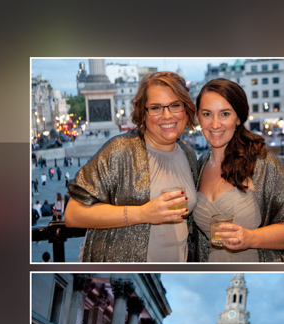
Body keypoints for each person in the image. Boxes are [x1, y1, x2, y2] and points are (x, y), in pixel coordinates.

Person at [65, 71, 198, 262]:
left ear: (186, 108)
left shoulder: (187, 153)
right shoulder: (121, 150)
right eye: (155, 108)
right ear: (143, 113)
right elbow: (73, 214)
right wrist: (142, 213)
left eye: (175, 105)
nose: (167, 115)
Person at [191, 79, 284, 262]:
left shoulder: (261, 161)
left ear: (238, 118)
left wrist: (250, 238)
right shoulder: (199, 165)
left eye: (225, 114)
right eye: (207, 114)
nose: (215, 124)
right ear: (199, 118)